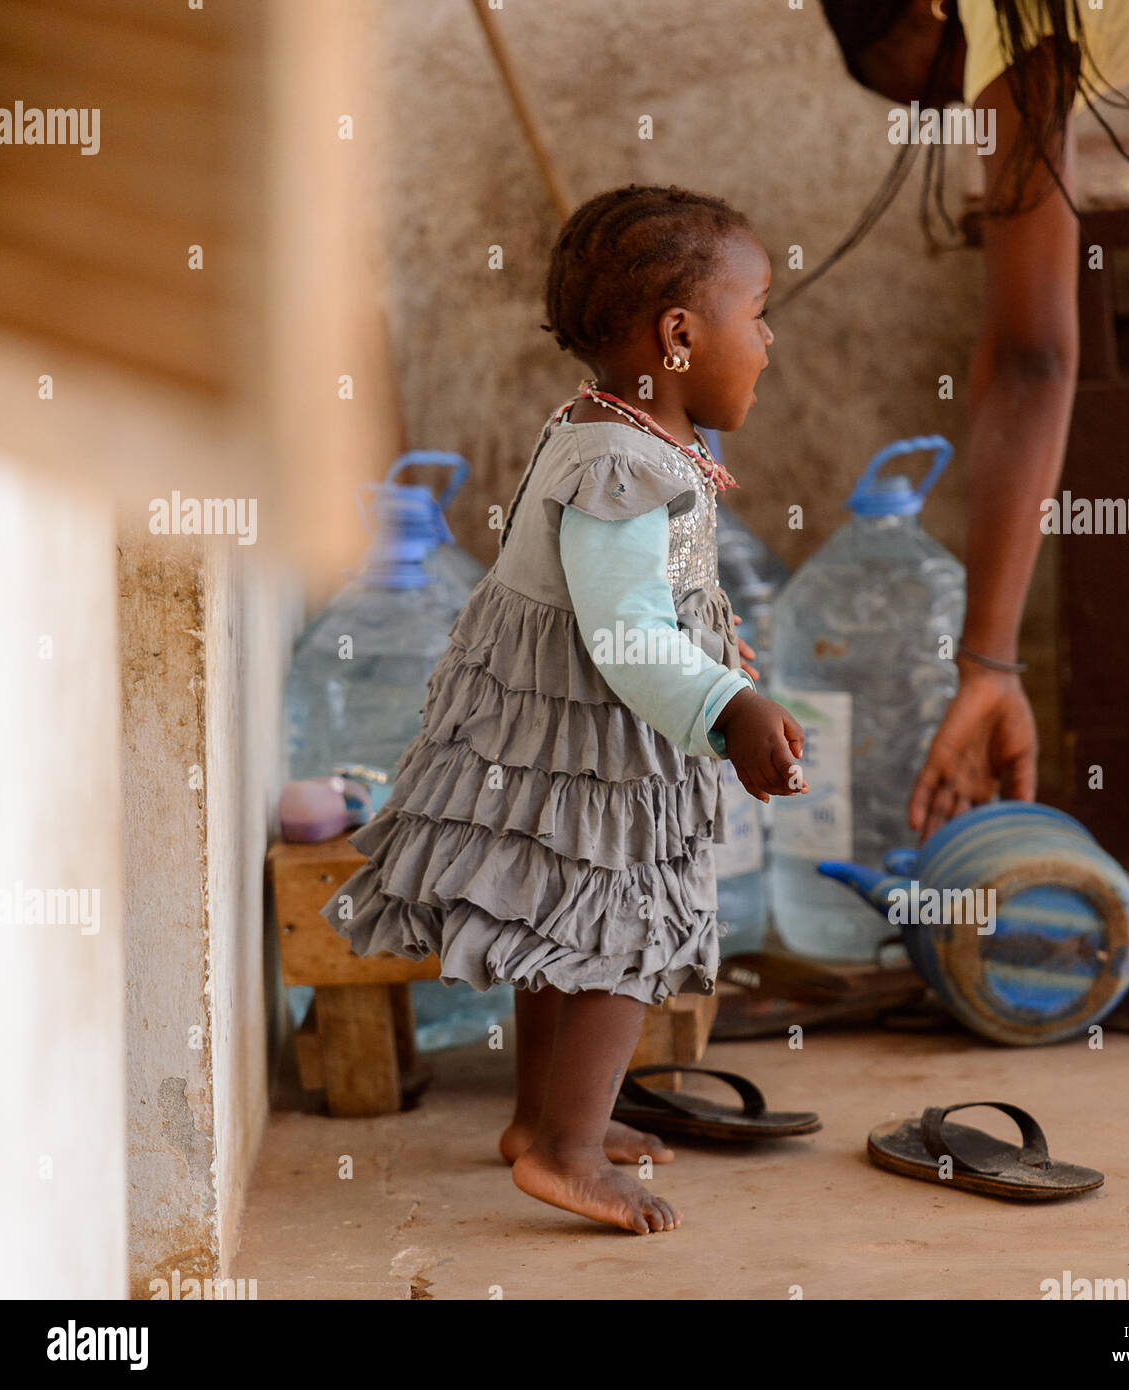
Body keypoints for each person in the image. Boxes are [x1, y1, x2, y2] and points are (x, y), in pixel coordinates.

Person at [320, 184, 805, 1235]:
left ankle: (543, 1126)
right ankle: (567, 1151)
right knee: (618, 931)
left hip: (568, 728)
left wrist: (718, 663)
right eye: (757, 310)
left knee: (559, 928)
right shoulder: (624, 467)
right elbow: (628, 633)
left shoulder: (612, 431)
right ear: (679, 335)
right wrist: (732, 704)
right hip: (586, 734)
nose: (768, 338)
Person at [811, 0, 1129, 840]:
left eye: (956, 71)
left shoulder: (1005, 14)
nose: (981, 100)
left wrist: (988, 666)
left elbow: (1031, 358)